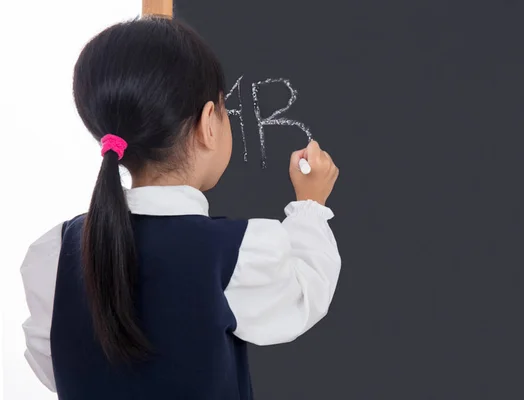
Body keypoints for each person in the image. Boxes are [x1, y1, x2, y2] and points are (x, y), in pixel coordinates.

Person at [20, 16, 340, 400]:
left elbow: (54, 363)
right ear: (208, 123)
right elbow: (304, 294)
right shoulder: (237, 252)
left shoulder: (54, 253)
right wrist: (310, 205)